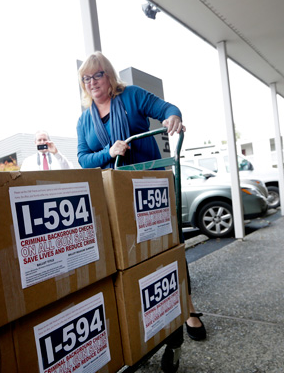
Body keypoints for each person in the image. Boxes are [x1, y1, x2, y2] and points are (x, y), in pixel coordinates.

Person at [75, 51, 205, 370]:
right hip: (116, 196)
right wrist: (109, 151)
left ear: (110, 76)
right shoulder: (83, 119)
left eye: (98, 75)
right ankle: (143, 317)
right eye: (86, 78)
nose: (93, 83)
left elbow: (166, 109)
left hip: (149, 187)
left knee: (167, 249)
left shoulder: (131, 96)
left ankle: (186, 308)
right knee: (132, 257)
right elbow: (82, 157)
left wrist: (172, 117)